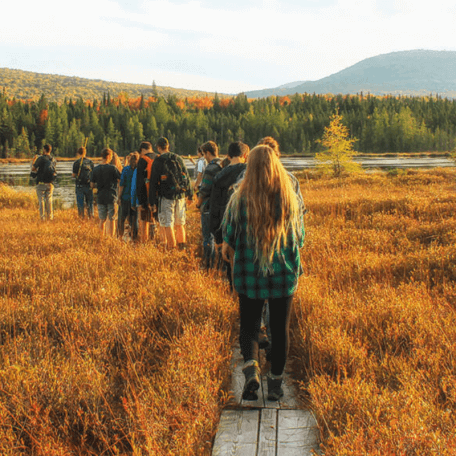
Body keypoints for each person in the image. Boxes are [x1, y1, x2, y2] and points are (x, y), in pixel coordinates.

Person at [222, 145, 305, 401]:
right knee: (280, 329)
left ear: (251, 166)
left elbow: (229, 237)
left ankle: (251, 372)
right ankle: (276, 384)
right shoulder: (289, 197)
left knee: (248, 325)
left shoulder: (239, 197)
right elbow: (299, 239)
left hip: (249, 273)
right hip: (283, 274)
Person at [209, 141, 249, 284]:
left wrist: (216, 233)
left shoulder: (219, 176)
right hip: (244, 228)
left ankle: (233, 294)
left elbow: (213, 206)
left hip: (224, 227)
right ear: (245, 155)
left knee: (230, 267)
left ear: (228, 155)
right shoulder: (248, 173)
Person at [148, 137, 193, 249]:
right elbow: (186, 177)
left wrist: (152, 202)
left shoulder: (158, 161)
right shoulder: (178, 158)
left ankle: (171, 249)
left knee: (168, 224)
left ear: (158, 148)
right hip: (180, 196)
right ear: (168, 146)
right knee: (180, 223)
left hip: (166, 197)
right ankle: (181, 247)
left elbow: (153, 183)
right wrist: (190, 194)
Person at [196, 141, 222, 268]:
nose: (204, 157)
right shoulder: (223, 165)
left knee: (208, 238)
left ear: (207, 153)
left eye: (204, 154)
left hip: (208, 207)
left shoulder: (210, 168)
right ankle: (220, 265)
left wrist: (198, 204)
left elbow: (204, 190)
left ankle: (208, 265)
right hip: (220, 207)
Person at [91, 148, 121, 237]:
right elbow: (120, 180)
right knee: (112, 219)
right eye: (111, 156)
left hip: (100, 197)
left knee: (102, 219)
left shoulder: (95, 169)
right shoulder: (113, 168)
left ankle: (101, 236)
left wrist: (99, 185)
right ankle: (111, 237)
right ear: (108, 156)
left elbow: (92, 185)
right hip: (111, 196)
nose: (111, 158)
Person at [135, 141, 157, 242]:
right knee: (159, 221)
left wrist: (140, 201)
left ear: (143, 150)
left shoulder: (142, 160)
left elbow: (139, 183)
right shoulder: (159, 157)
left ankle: (145, 242)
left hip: (145, 195)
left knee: (144, 222)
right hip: (158, 196)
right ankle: (159, 241)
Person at [31, 144, 56, 221]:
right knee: (49, 200)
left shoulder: (40, 158)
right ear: (50, 150)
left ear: (44, 150)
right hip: (50, 183)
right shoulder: (53, 159)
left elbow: (33, 168)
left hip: (41, 183)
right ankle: (50, 217)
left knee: (41, 200)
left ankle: (42, 218)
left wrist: (33, 161)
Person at [118, 152, 139, 240]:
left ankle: (120, 236)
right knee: (134, 219)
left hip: (125, 197)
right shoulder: (139, 170)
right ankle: (134, 238)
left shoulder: (126, 169)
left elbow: (121, 184)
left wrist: (119, 196)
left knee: (122, 218)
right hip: (135, 198)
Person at [72, 146, 94, 218]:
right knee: (90, 203)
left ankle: (81, 217)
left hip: (79, 185)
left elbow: (74, 175)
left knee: (80, 203)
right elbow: (93, 174)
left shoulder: (76, 163)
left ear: (78, 153)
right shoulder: (90, 162)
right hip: (88, 185)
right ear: (85, 153)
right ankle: (91, 216)